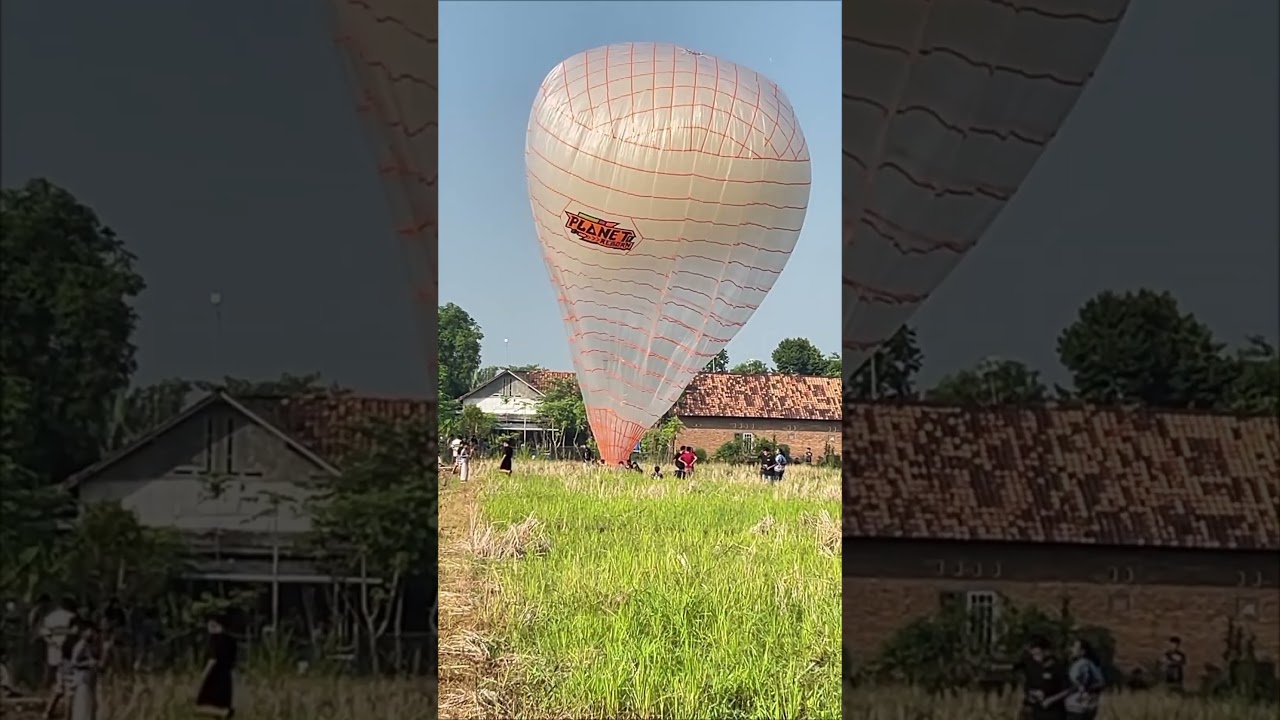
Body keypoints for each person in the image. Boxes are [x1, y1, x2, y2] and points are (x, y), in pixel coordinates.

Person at [1043, 637, 1104, 720]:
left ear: (1082, 651)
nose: (1071, 649)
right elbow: (1100, 683)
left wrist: (1052, 700)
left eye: (1074, 647)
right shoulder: (1091, 664)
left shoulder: (1080, 665)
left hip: (1076, 708)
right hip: (1087, 707)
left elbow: (1072, 687)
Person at [195, 614, 237, 718]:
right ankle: (223, 713)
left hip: (214, 676)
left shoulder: (215, 640)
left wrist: (203, 675)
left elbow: (212, 659)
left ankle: (225, 713)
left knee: (201, 706)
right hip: (226, 677)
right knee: (220, 704)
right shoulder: (231, 640)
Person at [1021, 636, 1067, 720]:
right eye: (1033, 654)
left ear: (1046, 651)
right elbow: (1027, 686)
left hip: (1054, 712)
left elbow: (1067, 689)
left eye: (1038, 654)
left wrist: (1051, 700)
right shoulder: (1032, 666)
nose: (1035, 657)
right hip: (1037, 711)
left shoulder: (1058, 667)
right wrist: (1032, 694)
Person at [39, 597, 77, 692]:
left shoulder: (49, 617)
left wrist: (51, 641)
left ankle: (58, 685)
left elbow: (44, 632)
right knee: (65, 664)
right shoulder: (71, 616)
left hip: (54, 641)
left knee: (56, 665)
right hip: (67, 642)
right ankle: (63, 685)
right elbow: (75, 631)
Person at [66, 619, 100, 720]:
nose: (93, 634)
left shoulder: (88, 646)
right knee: (82, 708)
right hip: (82, 680)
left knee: (89, 707)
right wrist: (88, 663)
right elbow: (73, 663)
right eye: (90, 631)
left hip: (89, 680)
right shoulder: (80, 646)